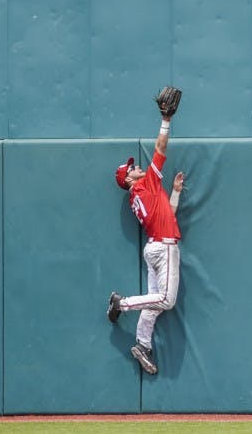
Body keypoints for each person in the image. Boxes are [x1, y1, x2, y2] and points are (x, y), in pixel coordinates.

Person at [107, 91, 185, 376]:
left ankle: (142, 344)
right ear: (128, 179)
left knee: (153, 303)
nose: (136, 167)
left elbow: (168, 216)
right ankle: (122, 303)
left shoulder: (142, 194)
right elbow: (161, 148)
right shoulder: (145, 184)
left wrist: (174, 193)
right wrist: (165, 120)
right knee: (166, 300)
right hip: (163, 248)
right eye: (131, 168)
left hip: (155, 245)